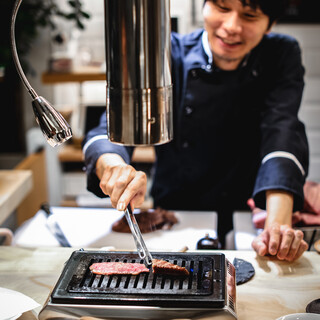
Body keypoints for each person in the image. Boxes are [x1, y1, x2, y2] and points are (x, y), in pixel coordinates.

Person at [82, 0, 309, 261]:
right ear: (204, 6)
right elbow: (108, 130)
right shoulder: (169, 52)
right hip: (174, 218)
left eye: (249, 15)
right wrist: (112, 166)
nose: (232, 27)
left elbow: (283, 129)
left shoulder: (281, 54)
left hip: (248, 216)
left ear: (270, 24)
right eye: (222, 9)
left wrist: (277, 225)